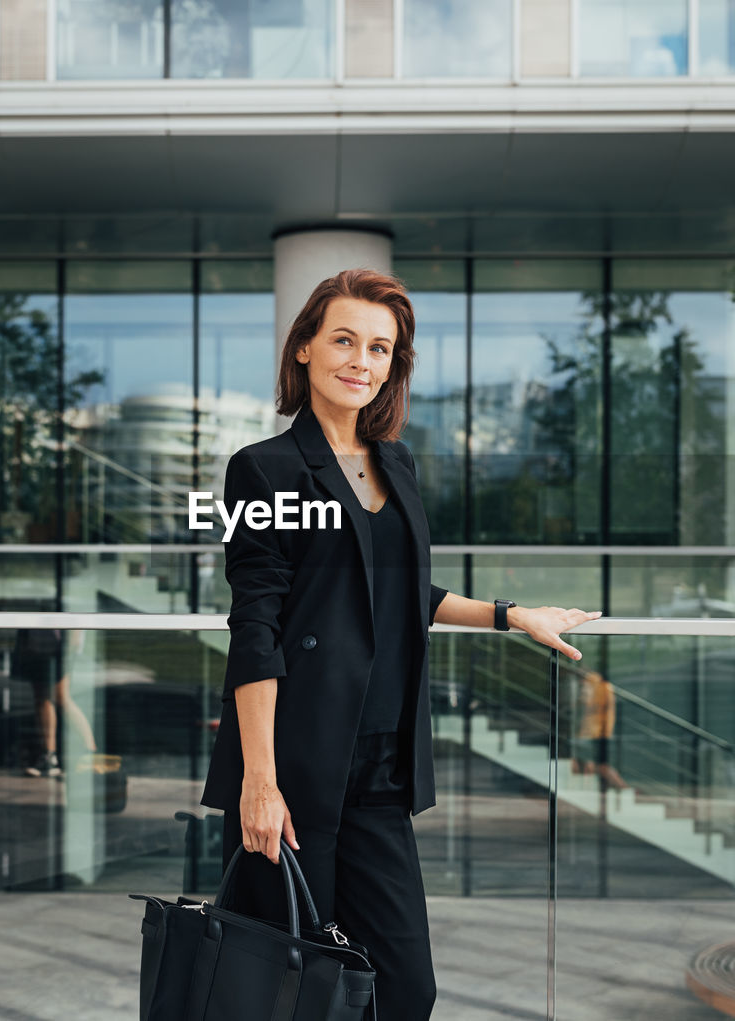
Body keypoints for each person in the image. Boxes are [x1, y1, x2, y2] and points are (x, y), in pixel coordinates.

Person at [198, 268, 601, 1020]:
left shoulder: (397, 463)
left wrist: (512, 615)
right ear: (306, 352)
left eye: (380, 347)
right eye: (344, 340)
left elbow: (399, 594)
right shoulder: (264, 469)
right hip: (293, 772)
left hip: (380, 771)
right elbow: (256, 625)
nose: (362, 360)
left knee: (405, 985)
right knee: (292, 987)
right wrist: (260, 779)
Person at [12, 628, 97, 777]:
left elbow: (73, 612)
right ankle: (48, 757)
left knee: (61, 696)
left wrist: (72, 643)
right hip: (37, 644)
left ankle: (89, 751)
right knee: (41, 698)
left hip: (59, 644)